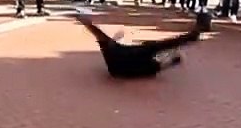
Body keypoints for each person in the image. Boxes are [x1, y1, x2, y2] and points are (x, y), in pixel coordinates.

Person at [76, 12, 205, 79]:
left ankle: (190, 37)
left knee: (154, 49)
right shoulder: (119, 54)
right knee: (155, 48)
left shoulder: (118, 57)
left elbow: (100, 36)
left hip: (120, 68)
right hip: (123, 63)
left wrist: (173, 60)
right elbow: (100, 36)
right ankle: (192, 36)